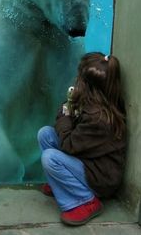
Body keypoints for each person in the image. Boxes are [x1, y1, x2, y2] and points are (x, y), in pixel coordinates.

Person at [37, 52, 126, 226]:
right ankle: (61, 185)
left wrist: (67, 111)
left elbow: (68, 145)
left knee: (50, 158)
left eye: (79, 77)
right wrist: (72, 104)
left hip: (101, 178)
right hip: (88, 160)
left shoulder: (98, 119)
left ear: (87, 85)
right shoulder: (100, 101)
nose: (76, 80)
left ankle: (85, 200)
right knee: (45, 134)